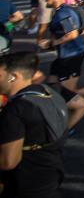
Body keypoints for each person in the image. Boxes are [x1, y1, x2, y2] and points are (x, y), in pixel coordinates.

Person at [0, 51, 69, 198]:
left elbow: (9, 162)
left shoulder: (15, 109)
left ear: (14, 76)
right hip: (52, 169)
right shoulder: (48, 91)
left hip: (26, 181)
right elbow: (82, 105)